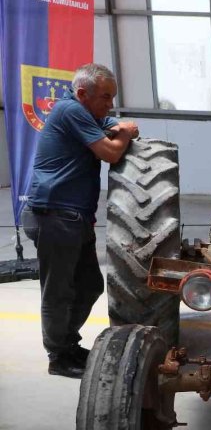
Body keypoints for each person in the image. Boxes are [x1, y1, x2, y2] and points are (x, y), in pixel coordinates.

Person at [21, 63, 139, 378]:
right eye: (105, 97)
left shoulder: (88, 114)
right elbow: (111, 152)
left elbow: (112, 124)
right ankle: (59, 356)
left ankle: (68, 344)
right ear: (82, 93)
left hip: (75, 218)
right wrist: (124, 132)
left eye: (113, 97)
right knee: (58, 290)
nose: (110, 105)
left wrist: (118, 126)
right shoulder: (69, 111)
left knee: (89, 285)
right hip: (55, 214)